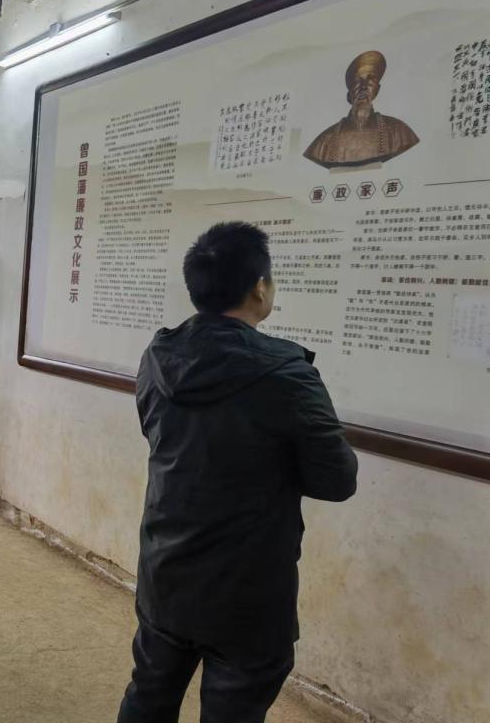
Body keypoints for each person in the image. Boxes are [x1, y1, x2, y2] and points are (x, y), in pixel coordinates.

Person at [116, 222, 358, 723]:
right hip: (247, 592)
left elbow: (155, 433)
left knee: (148, 696)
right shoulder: (288, 376)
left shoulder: (158, 356)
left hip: (166, 566)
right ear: (260, 288)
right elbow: (337, 481)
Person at [304, 50, 419, 168]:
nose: (364, 86)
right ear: (349, 95)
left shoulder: (399, 132)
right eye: (357, 80)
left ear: (377, 90)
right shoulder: (324, 142)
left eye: (370, 79)